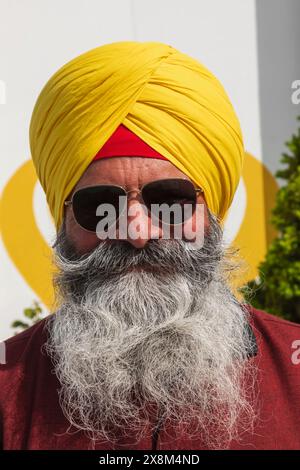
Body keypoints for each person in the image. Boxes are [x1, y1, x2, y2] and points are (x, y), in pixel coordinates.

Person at [0, 41, 299, 450]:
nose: (138, 232)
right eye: (100, 205)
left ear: (211, 212)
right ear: (63, 217)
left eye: (170, 200)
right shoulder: (7, 386)